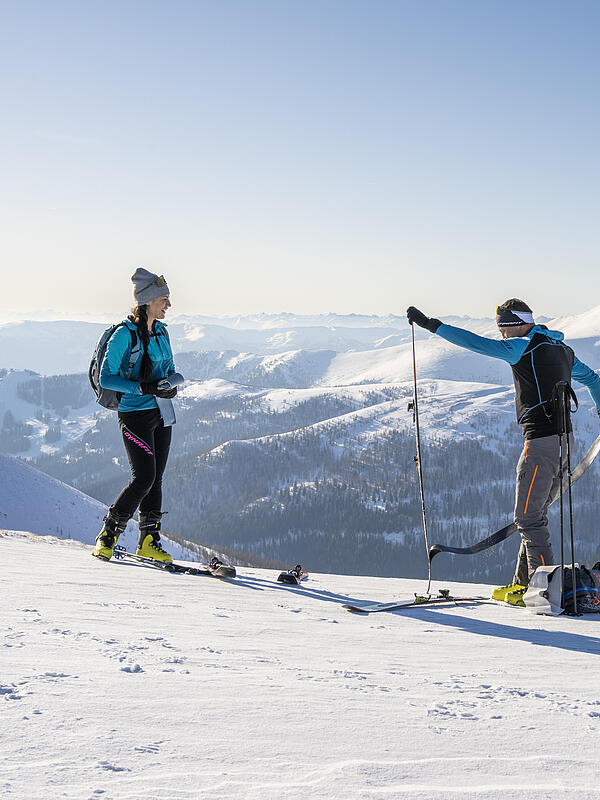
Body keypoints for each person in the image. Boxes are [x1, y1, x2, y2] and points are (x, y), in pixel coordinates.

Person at [407, 299, 600, 605]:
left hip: (541, 444)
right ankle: (522, 586)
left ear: (511, 325)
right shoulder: (562, 349)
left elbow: (476, 344)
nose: (502, 336)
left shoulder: (520, 346)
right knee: (534, 516)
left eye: (503, 329)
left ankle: (544, 592)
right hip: (566, 441)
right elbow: (593, 380)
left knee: (528, 518)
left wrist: (433, 326)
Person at [92, 268, 180, 564]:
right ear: (148, 300)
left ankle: (149, 541)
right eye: (164, 299)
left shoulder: (162, 332)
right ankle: (108, 534)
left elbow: (168, 369)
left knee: (156, 479)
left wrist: (169, 385)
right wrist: (144, 387)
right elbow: (107, 377)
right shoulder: (124, 335)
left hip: (161, 413)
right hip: (135, 416)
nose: (169, 305)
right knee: (143, 477)